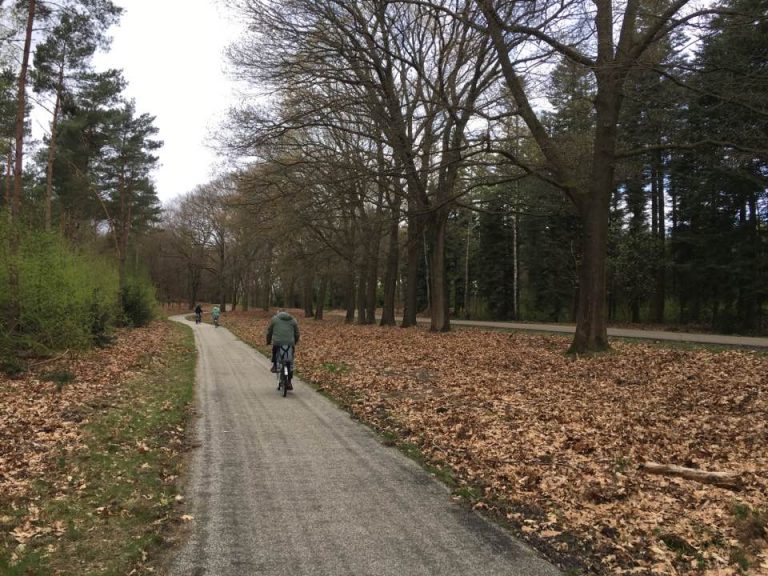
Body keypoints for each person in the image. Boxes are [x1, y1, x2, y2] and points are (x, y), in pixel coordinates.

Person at [266, 310, 300, 374]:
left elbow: (269, 332)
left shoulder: (274, 319)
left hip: (277, 342)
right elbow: (297, 333)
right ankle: (289, 380)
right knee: (290, 359)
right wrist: (295, 342)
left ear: (278, 313)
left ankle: (275, 366)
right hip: (290, 343)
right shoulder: (293, 320)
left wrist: (268, 341)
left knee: (275, 351)